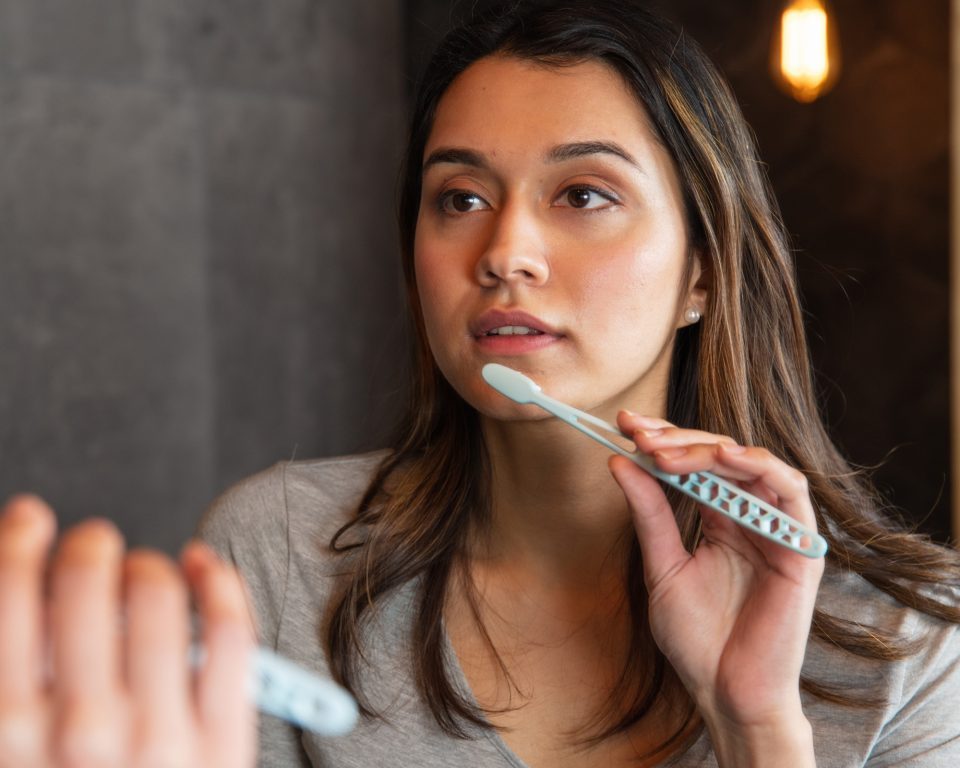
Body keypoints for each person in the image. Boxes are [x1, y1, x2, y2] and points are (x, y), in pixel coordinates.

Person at [2, 1, 959, 766]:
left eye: (583, 195)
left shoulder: (912, 645)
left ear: (702, 271)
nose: (505, 253)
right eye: (459, 198)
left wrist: (757, 731)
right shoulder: (282, 556)